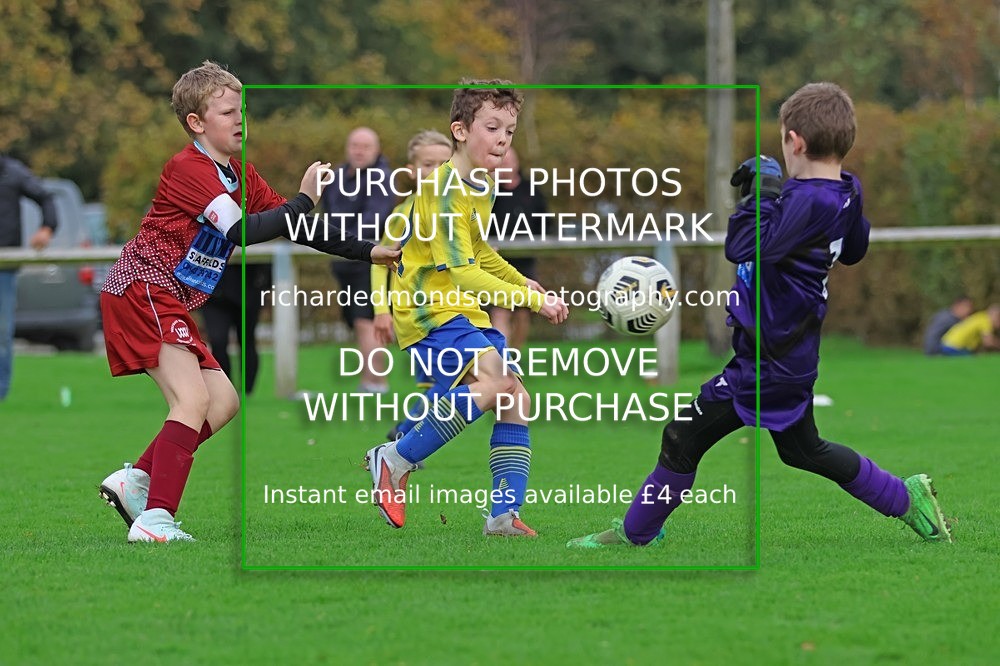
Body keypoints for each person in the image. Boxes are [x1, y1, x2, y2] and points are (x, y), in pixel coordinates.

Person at [568, 82, 952, 549]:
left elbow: (741, 246)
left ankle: (635, 533)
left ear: (795, 141)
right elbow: (854, 249)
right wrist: (778, 201)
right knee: (804, 450)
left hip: (768, 363)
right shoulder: (845, 189)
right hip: (788, 354)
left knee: (682, 437)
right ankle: (907, 499)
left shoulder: (808, 199)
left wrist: (762, 195)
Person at [96, 61, 398, 543]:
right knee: (191, 399)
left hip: (165, 297)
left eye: (242, 110)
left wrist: (370, 251)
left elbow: (295, 226)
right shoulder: (188, 168)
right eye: (227, 112)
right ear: (196, 123)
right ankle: (154, 520)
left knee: (223, 400)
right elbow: (243, 230)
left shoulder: (239, 173)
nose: (240, 120)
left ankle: (137, 480)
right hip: (142, 291)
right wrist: (302, 199)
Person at [363, 80, 569, 537]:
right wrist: (533, 300)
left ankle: (502, 517)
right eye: (492, 127)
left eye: (510, 131)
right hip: (429, 309)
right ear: (459, 130)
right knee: (500, 387)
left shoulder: (481, 183)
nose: (502, 139)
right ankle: (394, 459)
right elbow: (462, 273)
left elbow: (480, 251)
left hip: (460, 310)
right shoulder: (444, 189)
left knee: (515, 396)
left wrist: (521, 280)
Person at [371, 129, 453, 442]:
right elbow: (380, 264)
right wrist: (382, 310)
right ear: (413, 171)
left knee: (448, 385)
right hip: (420, 316)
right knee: (454, 381)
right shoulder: (402, 215)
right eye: (428, 164)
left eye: (444, 164)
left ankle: (401, 435)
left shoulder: (459, 211)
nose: (437, 172)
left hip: (455, 312)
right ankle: (402, 442)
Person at [322, 127, 395, 393]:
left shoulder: (381, 179)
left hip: (369, 260)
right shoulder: (337, 177)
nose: (359, 150)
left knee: (368, 320)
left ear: (376, 150)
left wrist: (346, 244)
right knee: (357, 321)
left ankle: (375, 383)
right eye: (355, 145)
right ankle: (370, 380)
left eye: (365, 146)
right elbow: (329, 215)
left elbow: (372, 221)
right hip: (343, 262)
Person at [0, 155, 57, 401]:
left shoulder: (12, 172)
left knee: (2, 331)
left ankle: (1, 392)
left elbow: (45, 198)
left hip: (5, 263)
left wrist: (47, 228)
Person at [486, 147, 548, 351]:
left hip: (525, 259)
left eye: (511, 159)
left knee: (523, 312)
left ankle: (515, 355)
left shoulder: (531, 189)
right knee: (501, 309)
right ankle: (501, 359)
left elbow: (545, 221)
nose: (507, 163)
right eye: (503, 160)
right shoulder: (491, 191)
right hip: (499, 259)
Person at [201, 262, 271, 395]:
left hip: (248, 289)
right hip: (214, 294)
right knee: (218, 341)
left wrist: (266, 283)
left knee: (246, 340)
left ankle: (247, 390)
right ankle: (225, 388)